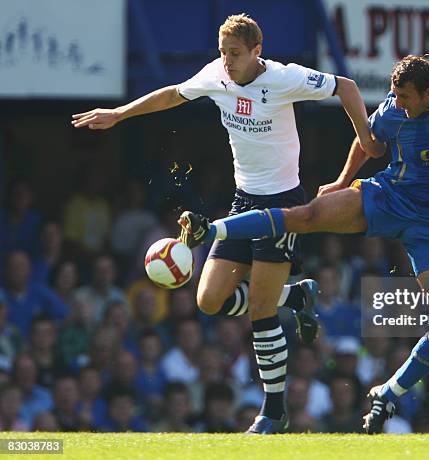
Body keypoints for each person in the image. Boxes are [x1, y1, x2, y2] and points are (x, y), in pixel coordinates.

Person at [176, 53, 429, 433]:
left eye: (404, 97)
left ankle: (389, 392)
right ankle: (213, 231)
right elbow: (366, 141)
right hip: (389, 197)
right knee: (306, 215)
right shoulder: (394, 111)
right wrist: (342, 182)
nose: (397, 104)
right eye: (394, 96)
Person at [72, 13, 379, 433]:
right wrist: (119, 113)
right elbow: (173, 95)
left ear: (257, 51)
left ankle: (273, 411)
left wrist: (365, 136)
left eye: (235, 53)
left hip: (282, 205)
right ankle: (295, 297)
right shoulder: (218, 74)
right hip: (242, 200)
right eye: (223, 52)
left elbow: (346, 86)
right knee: (208, 300)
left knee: (259, 310)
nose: (228, 61)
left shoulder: (285, 78)